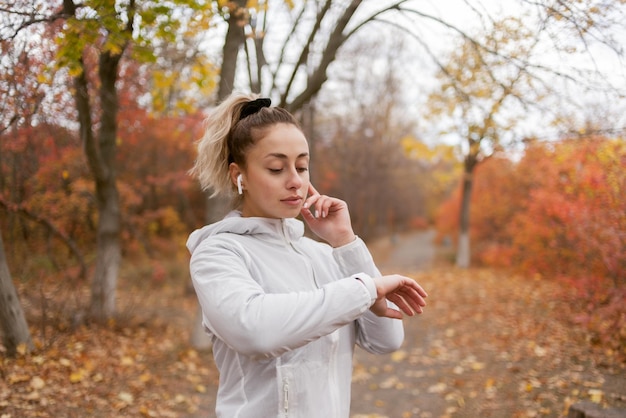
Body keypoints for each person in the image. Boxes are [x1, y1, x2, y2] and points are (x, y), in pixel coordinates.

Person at [187, 93, 428, 418]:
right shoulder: (218, 254)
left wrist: (345, 243)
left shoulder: (324, 256)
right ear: (238, 175)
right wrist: (366, 288)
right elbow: (255, 330)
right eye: (276, 168)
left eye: (302, 166)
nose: (295, 181)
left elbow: (386, 339)